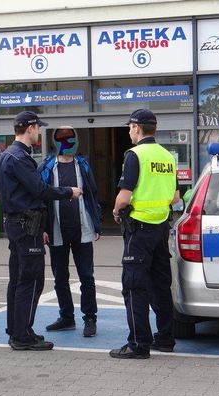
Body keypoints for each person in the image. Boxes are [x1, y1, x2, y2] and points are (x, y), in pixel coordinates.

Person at [0, 111, 83, 351]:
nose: (38, 132)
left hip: (17, 224)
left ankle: (16, 330)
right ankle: (22, 335)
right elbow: (39, 189)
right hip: (27, 225)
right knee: (31, 279)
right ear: (31, 128)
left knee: (17, 279)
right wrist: (69, 192)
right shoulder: (20, 158)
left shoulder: (7, 155)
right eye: (37, 128)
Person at [109, 109, 180, 359]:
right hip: (161, 227)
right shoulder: (167, 156)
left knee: (134, 287)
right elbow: (176, 196)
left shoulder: (134, 155)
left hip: (138, 229)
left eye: (130, 127)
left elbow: (124, 195)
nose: (129, 131)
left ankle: (139, 344)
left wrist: (117, 211)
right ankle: (166, 338)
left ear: (138, 128)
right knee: (160, 285)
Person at [38, 126, 101, 337]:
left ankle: (90, 318)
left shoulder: (82, 165)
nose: (67, 143)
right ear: (55, 142)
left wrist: (97, 224)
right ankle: (66, 317)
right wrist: (43, 228)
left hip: (82, 229)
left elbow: (92, 194)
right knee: (60, 277)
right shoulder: (47, 167)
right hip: (57, 231)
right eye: (63, 139)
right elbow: (41, 197)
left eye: (70, 138)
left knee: (87, 276)